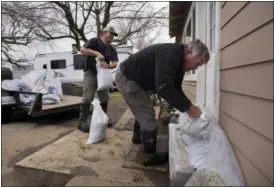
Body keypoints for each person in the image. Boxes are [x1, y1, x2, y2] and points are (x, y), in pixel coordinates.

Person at [115, 39, 210, 166]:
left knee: (142, 109)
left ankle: (137, 138)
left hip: (136, 79)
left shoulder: (179, 63)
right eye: (197, 63)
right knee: (147, 114)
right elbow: (164, 88)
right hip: (127, 78)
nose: (195, 68)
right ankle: (149, 156)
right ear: (189, 53)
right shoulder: (170, 54)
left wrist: (186, 106)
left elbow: (175, 88)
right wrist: (189, 107)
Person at [78, 26, 119, 132]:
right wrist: (96, 53)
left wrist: (109, 66)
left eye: (114, 35)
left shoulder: (112, 49)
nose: (112, 36)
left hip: (103, 75)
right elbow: (82, 49)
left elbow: (114, 63)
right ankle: (82, 122)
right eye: (111, 33)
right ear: (103, 33)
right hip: (91, 73)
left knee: (105, 98)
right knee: (87, 98)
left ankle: (103, 119)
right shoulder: (94, 41)